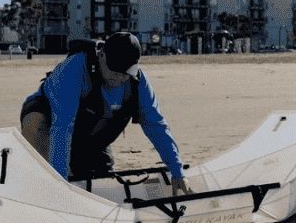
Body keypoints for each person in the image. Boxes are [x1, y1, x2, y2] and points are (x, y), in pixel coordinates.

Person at [20, 32, 191, 194]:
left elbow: (156, 125)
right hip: (50, 124)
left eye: (125, 74)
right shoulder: (74, 69)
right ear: (101, 55)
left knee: (99, 183)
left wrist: (177, 171)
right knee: (35, 124)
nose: (118, 79)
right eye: (114, 71)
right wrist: (62, 185)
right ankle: (46, 184)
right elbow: (62, 128)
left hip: (91, 136)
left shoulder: (137, 82)